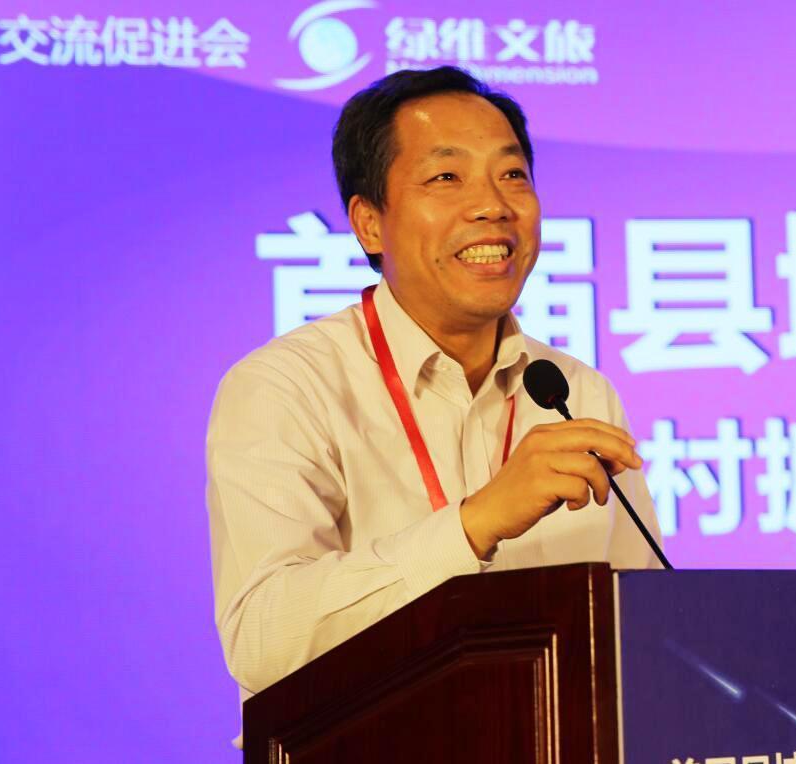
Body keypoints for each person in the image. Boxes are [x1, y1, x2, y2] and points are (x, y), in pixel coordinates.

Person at [205, 66, 663, 741]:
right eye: (447, 177)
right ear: (369, 223)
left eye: (512, 175)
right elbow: (264, 641)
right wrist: (473, 524)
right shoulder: (286, 387)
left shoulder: (574, 391)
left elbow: (643, 629)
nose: (492, 206)